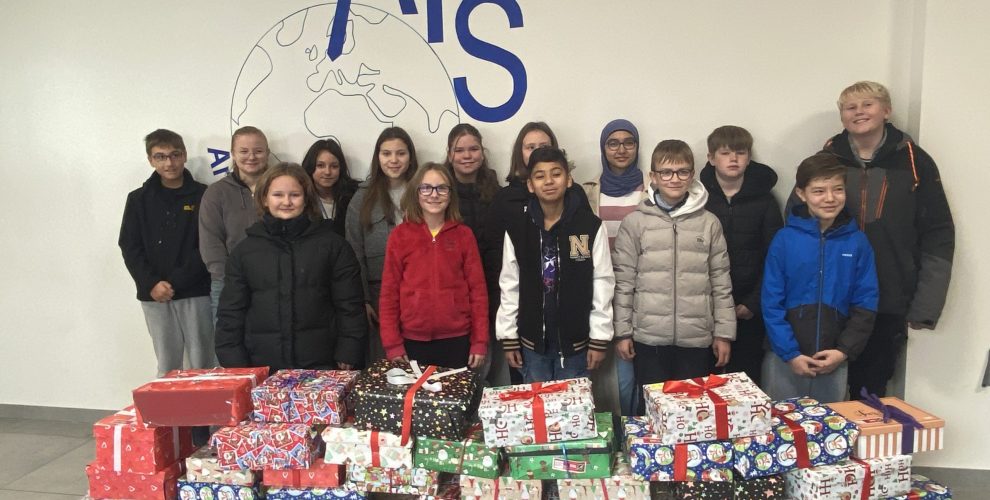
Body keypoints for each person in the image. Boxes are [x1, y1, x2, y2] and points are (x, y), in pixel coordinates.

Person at [820, 81, 954, 398]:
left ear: (886, 111)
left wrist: (926, 306)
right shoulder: (826, 160)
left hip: (888, 298)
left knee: (870, 397)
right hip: (830, 299)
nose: (859, 112)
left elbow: (938, 233)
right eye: (850, 107)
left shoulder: (915, 162)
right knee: (824, 396)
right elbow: (799, 225)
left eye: (867, 104)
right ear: (842, 116)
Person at [612, 140, 735, 414]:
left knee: (692, 413)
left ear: (692, 175)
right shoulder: (635, 223)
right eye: (666, 172)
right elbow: (624, 283)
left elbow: (721, 282)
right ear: (653, 177)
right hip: (649, 339)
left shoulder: (709, 223)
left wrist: (724, 333)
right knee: (651, 412)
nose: (674, 179)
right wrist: (622, 332)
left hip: (696, 339)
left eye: (682, 171)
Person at [214, 163, 367, 371]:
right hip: (263, 366)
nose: (286, 202)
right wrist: (234, 362)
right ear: (264, 199)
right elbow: (231, 312)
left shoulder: (333, 246)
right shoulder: (244, 252)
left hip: (321, 365)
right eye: (278, 195)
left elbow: (350, 306)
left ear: (306, 199)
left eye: (294, 195)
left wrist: (348, 350)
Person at [763, 152, 879, 402]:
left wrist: (843, 351)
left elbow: (866, 302)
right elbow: (771, 302)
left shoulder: (857, 242)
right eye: (818, 191)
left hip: (834, 359)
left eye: (837, 189)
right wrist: (790, 353)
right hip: (785, 358)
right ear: (801, 194)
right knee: (782, 421)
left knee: (831, 423)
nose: (829, 198)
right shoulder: (784, 240)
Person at [481, 122, 589, 384]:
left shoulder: (578, 201)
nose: (548, 181)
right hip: (527, 324)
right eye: (531, 147)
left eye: (544, 146)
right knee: (530, 396)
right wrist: (508, 329)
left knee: (572, 396)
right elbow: (503, 270)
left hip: (571, 330)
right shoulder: (506, 201)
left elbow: (589, 267)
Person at [496, 147, 614, 383]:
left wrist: (599, 337)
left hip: (576, 345)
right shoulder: (518, 228)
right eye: (540, 176)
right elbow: (510, 284)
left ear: (569, 179)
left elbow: (602, 281)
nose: (549, 181)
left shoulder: (589, 226)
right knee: (538, 404)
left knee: (574, 405)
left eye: (556, 174)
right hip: (533, 346)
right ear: (530, 185)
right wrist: (508, 336)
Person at [118, 129, 215, 377]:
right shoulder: (138, 199)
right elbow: (129, 245)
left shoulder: (204, 195)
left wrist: (176, 282)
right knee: (167, 363)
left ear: (184, 156)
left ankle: (203, 403)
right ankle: (168, 403)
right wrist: (151, 283)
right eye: (160, 157)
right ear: (150, 160)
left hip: (195, 290)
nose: (169, 163)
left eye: (175, 155)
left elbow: (208, 244)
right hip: (154, 294)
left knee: (202, 361)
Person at [378, 163, 489, 369]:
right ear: (416, 193)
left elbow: (478, 292)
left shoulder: (464, 235)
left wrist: (479, 341)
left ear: (450, 194)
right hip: (412, 340)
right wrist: (392, 344)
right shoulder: (399, 236)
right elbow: (389, 294)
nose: (434, 194)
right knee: (416, 392)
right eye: (426, 188)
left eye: (441, 188)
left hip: (457, 339)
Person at [699, 125, 784, 385]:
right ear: (711, 158)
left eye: (740, 152)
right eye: (725, 153)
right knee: (706, 384)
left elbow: (775, 257)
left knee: (746, 383)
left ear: (749, 157)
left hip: (749, 309)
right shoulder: (699, 199)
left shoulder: (765, 201)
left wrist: (753, 302)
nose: (733, 159)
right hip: (707, 309)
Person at [582, 119, 649, 417]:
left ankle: (630, 427)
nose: (621, 149)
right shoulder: (588, 191)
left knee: (628, 377)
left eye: (628, 142)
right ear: (603, 148)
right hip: (598, 290)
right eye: (613, 143)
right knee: (598, 374)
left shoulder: (650, 189)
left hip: (638, 292)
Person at [345, 127, 418, 365]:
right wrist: (364, 299)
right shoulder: (362, 197)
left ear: (410, 157)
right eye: (387, 153)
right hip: (378, 294)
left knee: (418, 362)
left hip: (418, 290)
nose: (393, 160)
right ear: (378, 157)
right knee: (386, 363)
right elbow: (354, 251)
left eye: (401, 153)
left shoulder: (423, 191)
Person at [442, 124, 503, 380]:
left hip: (491, 291)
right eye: (459, 150)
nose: (467, 156)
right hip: (452, 295)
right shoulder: (440, 193)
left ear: (482, 152)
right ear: (449, 154)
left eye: (473, 149)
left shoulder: (497, 193)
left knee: (483, 368)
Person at [199, 126, 270, 321]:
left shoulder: (281, 189)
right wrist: (228, 278)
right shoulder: (216, 193)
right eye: (244, 151)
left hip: (274, 282)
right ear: (233, 154)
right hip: (229, 284)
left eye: (258, 151)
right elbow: (211, 242)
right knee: (228, 338)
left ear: (267, 152)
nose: (251, 157)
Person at [301, 139, 360, 236]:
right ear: (310, 166)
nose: (327, 172)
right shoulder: (300, 198)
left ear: (341, 169)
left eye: (334, 166)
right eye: (320, 165)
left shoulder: (354, 195)